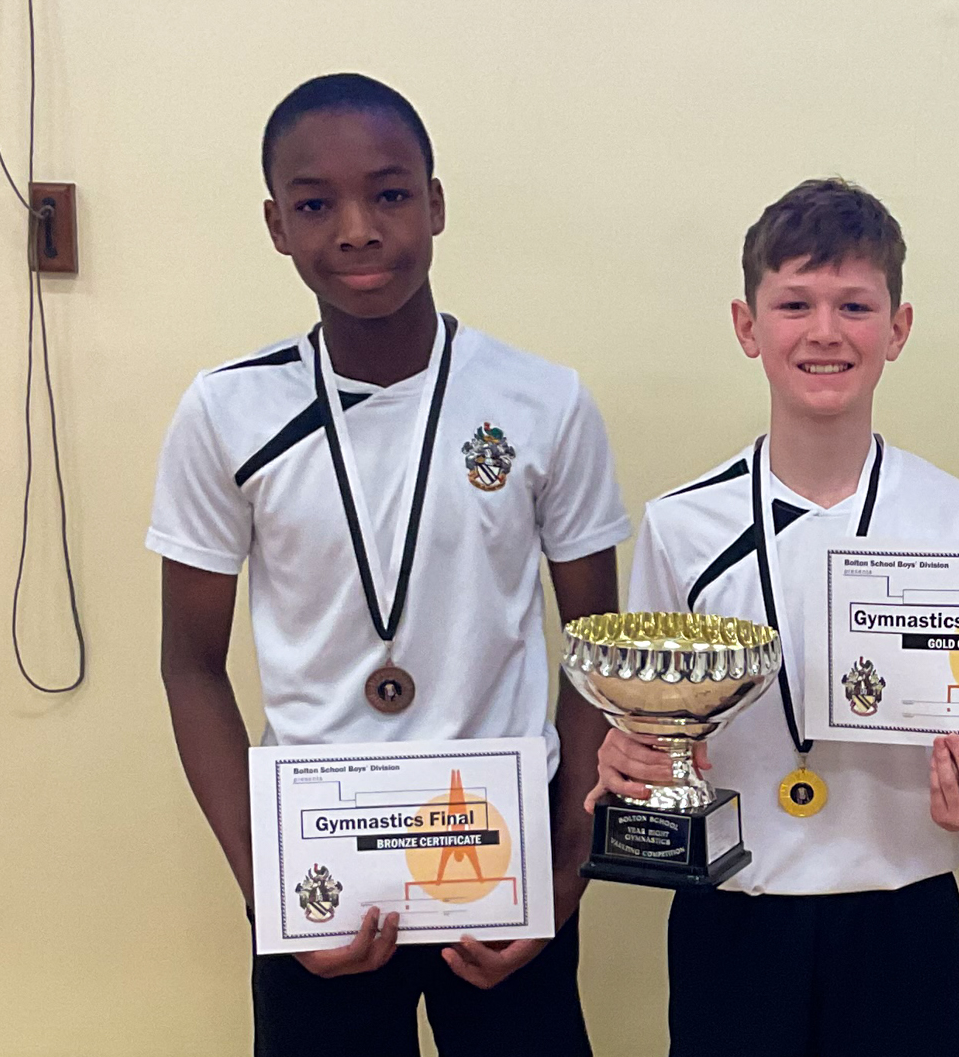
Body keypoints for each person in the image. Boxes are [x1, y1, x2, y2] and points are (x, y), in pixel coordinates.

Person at [149, 73, 629, 1056]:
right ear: (277, 225)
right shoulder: (225, 412)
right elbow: (188, 663)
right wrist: (272, 889)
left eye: (390, 192)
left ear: (435, 203)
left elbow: (596, 647)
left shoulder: (543, 402)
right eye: (316, 203)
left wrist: (567, 869)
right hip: (320, 857)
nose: (357, 229)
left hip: (502, 852)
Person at [589, 178, 959, 1057]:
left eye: (855, 304)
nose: (825, 331)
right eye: (795, 304)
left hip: (902, 916)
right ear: (748, 326)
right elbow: (651, 727)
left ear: (897, 328)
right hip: (733, 916)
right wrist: (636, 756)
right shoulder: (681, 523)